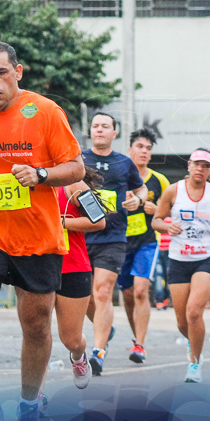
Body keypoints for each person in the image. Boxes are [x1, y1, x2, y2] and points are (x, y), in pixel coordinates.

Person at [0, 40, 84, 421]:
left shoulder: (44, 111)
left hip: (37, 234)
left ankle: (27, 403)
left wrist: (40, 175)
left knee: (37, 322)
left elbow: (74, 167)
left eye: (1, 73)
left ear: (17, 72)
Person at [152, 148, 210, 383]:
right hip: (178, 260)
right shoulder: (173, 191)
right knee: (182, 322)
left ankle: (195, 363)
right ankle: (194, 341)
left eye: (206, 165)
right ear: (189, 165)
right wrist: (167, 227)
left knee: (194, 312)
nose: (200, 169)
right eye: (197, 164)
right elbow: (156, 220)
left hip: (205, 258)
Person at [82, 113, 147, 373]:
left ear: (114, 133)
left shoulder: (124, 163)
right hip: (81, 235)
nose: (99, 130)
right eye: (95, 126)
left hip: (113, 237)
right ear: (91, 131)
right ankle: (105, 330)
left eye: (105, 126)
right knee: (84, 296)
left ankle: (98, 351)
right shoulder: (80, 158)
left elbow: (140, 188)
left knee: (103, 291)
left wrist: (139, 201)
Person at [54, 168, 106, 388]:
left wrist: (61, 223)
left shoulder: (73, 186)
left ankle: (79, 357)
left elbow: (99, 221)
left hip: (72, 267)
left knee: (71, 339)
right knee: (36, 331)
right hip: (36, 266)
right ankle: (33, 392)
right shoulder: (27, 183)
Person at [120, 128, 168, 363]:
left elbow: (170, 211)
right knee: (128, 294)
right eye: (140, 146)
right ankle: (135, 335)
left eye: (148, 148)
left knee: (141, 290)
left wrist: (157, 210)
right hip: (119, 243)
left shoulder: (159, 180)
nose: (144, 152)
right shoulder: (119, 175)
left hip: (147, 242)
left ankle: (140, 345)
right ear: (130, 149)